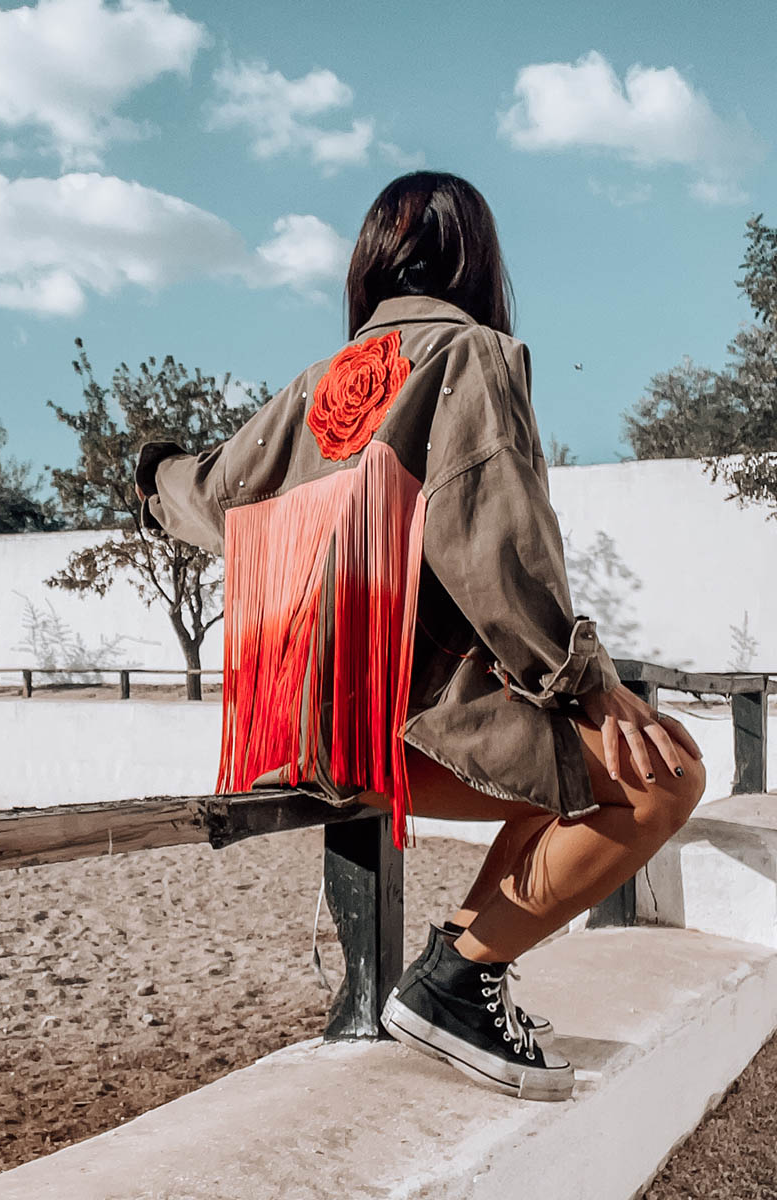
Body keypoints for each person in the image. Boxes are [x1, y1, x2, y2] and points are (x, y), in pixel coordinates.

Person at [133, 170, 706, 1103]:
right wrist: (585, 682)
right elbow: (491, 538)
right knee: (664, 776)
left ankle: (465, 983)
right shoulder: (472, 354)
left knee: (555, 784)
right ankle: (455, 981)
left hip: (302, 739)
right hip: (407, 724)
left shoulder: (313, 388)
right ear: (477, 260)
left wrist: (154, 472)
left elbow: (208, 496)